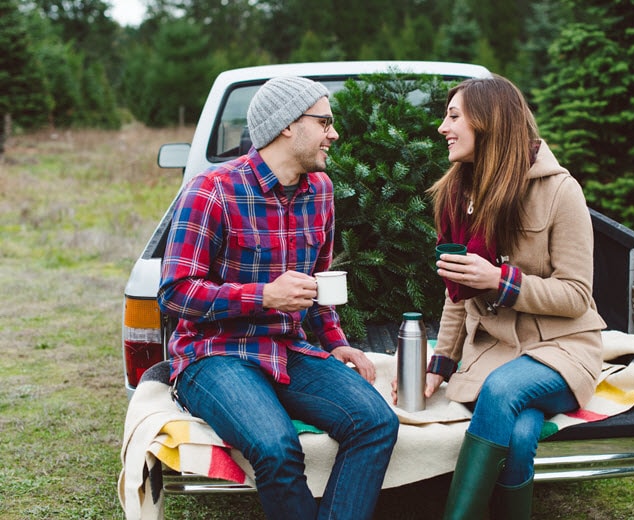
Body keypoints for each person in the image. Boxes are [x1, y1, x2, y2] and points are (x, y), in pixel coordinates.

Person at [158, 76, 399, 520]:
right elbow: (175, 294)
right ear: (287, 125)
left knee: (376, 422)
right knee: (276, 447)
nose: (334, 133)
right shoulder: (212, 190)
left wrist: (334, 340)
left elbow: (320, 281)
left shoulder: (320, 192)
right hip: (214, 355)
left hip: (288, 349)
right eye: (324, 121)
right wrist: (264, 296)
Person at [413, 75, 606, 519]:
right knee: (519, 434)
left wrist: (501, 282)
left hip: (564, 349)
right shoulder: (457, 193)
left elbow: (577, 295)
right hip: (495, 352)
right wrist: (440, 363)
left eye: (454, 116)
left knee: (501, 392)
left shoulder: (561, 191)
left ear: (489, 122)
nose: (443, 127)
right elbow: (456, 294)